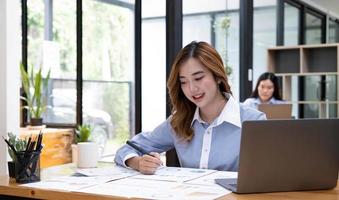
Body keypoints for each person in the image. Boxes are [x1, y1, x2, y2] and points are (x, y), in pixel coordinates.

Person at [114, 41, 266, 175]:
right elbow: (126, 149)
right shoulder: (178, 122)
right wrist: (138, 162)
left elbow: (270, 175)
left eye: (198, 78)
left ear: (218, 76)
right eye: (184, 82)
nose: (192, 89)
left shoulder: (253, 121)